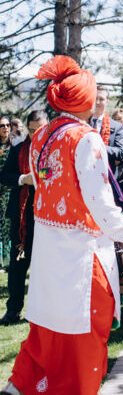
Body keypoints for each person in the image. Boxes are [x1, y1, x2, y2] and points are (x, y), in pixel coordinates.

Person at [1, 56, 123, 395]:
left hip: (48, 244)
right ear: (85, 99)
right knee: (92, 320)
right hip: (82, 247)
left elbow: (44, 185)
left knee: (48, 324)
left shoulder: (40, 136)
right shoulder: (86, 138)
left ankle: (18, 385)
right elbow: (99, 202)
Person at [0, 110, 48, 325]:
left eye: (40, 130)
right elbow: (4, 176)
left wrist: (43, 177)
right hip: (22, 215)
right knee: (18, 265)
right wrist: (23, 179)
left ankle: (44, 311)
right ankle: (13, 310)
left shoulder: (55, 148)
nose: (35, 135)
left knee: (45, 266)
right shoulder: (19, 147)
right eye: (31, 130)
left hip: (48, 215)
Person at [89, 85, 123, 175]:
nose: (97, 102)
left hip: (106, 174)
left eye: (101, 99)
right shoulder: (83, 122)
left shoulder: (116, 126)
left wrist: (101, 148)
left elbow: (121, 152)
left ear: (107, 102)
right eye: (95, 98)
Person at [0, 115, 12, 267]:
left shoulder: (14, 145)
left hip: (9, 193)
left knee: (7, 227)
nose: (5, 128)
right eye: (2, 125)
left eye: (7, 125)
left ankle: (7, 261)